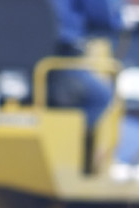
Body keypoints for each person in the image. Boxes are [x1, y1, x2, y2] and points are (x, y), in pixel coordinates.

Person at [48, 0, 124, 128]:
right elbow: (105, 17)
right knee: (100, 97)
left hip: (10, 67)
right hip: (61, 59)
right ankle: (70, 140)